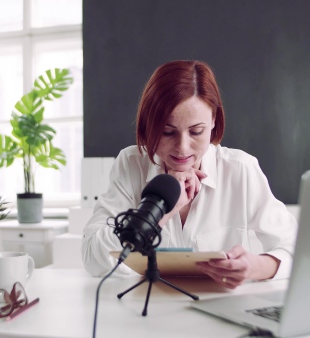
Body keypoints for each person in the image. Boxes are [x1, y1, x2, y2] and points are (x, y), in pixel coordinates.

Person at [81, 60, 297, 289]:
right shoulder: (131, 164)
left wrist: (254, 267)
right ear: (149, 124)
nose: (182, 148)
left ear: (214, 120)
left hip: (220, 312)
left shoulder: (240, 170)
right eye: (167, 131)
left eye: (196, 131)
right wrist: (161, 211)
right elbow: (92, 259)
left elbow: (296, 249)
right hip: (148, 313)